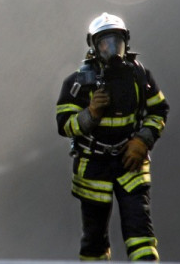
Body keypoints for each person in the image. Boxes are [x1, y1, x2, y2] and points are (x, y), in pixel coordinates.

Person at [55, 13, 170, 261]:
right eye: (104, 43)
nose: (111, 49)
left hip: (131, 162)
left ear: (125, 42)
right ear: (94, 45)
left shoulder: (140, 77)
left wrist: (143, 140)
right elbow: (64, 125)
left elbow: (159, 110)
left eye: (116, 42)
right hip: (93, 165)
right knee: (94, 239)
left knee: (140, 232)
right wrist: (90, 114)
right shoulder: (78, 83)